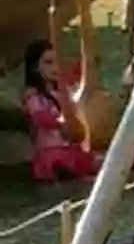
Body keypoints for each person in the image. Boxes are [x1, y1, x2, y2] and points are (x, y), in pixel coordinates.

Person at [21, 40, 98, 183]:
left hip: (71, 151)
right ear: (34, 68)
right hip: (52, 155)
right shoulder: (34, 97)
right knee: (69, 173)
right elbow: (41, 118)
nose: (54, 67)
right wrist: (61, 121)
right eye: (48, 62)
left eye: (56, 62)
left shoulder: (62, 92)